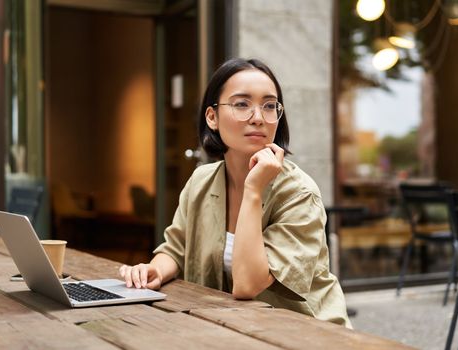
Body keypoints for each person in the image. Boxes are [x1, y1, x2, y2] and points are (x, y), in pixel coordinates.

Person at [119, 58, 351, 327]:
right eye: (242, 104)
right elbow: (176, 249)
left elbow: (248, 284)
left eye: (269, 106)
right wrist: (154, 270)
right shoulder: (201, 181)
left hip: (305, 333)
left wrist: (253, 190)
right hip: (228, 328)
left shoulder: (299, 193)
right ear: (212, 117)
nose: (258, 118)